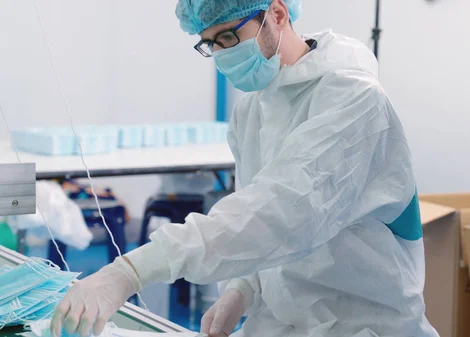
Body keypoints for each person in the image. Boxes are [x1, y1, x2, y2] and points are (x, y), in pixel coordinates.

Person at [50, 1, 440, 336]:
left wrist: (132, 271)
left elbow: (284, 214)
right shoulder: (253, 111)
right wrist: (244, 288)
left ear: (277, 13)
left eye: (229, 38)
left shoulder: (355, 100)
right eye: (210, 43)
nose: (221, 54)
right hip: (285, 322)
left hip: (363, 324)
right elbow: (252, 209)